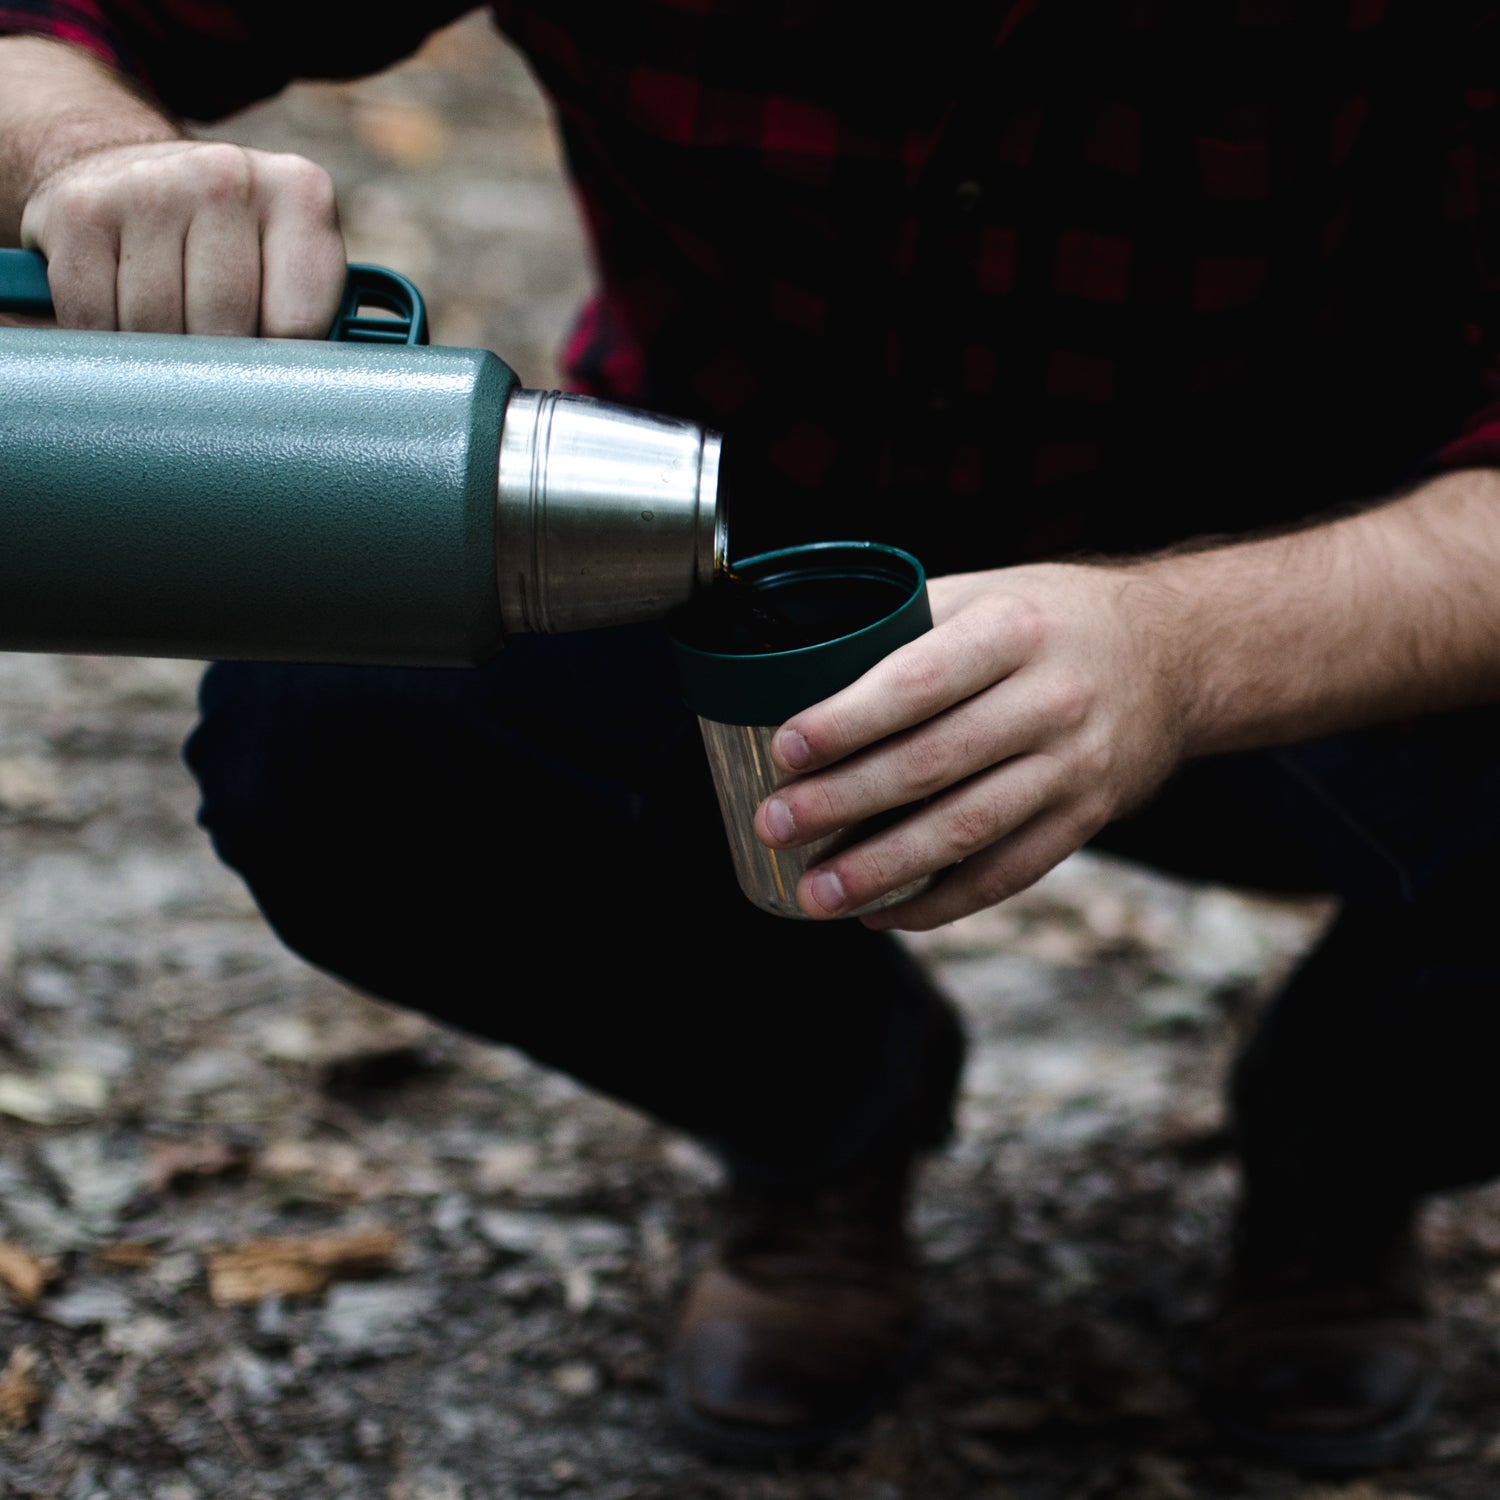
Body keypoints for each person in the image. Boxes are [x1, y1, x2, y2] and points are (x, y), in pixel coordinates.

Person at [3, 1, 1500, 1474]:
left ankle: (1346, 1165)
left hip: (1326, 602)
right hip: (705, 547)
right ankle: (822, 1124)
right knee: (334, 739)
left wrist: (1181, 655)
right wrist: (86, 156)